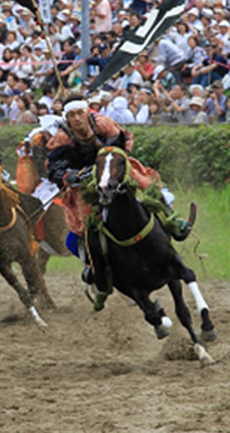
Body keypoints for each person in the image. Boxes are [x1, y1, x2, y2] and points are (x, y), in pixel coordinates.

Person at [46, 94, 191, 288]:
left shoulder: (103, 124)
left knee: (149, 187)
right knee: (86, 222)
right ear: (67, 118)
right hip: (84, 181)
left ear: (87, 111)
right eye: (72, 115)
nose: (77, 119)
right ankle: (94, 265)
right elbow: (53, 166)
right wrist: (67, 176)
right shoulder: (62, 138)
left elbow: (125, 139)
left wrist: (115, 158)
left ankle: (173, 222)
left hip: (113, 168)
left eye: (80, 113)